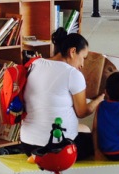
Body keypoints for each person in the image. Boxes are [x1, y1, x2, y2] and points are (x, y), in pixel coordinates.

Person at [20, 28, 104, 160]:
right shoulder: (73, 74)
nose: (82, 64)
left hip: (28, 145)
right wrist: (100, 99)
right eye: (83, 58)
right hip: (59, 150)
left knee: (84, 129)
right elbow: (82, 112)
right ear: (72, 51)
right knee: (94, 137)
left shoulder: (35, 64)